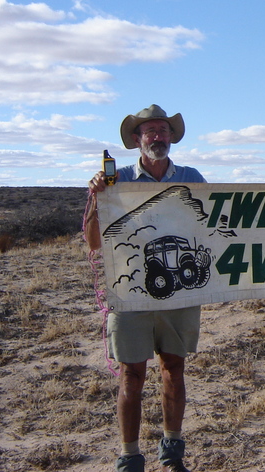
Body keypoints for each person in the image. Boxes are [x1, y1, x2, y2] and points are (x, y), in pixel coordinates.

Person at [85, 104, 206, 472]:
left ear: (171, 137)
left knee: (174, 367)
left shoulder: (192, 177)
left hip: (180, 295)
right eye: (150, 131)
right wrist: (96, 198)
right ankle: (129, 455)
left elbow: (212, 225)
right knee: (131, 374)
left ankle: (172, 452)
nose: (157, 136)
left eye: (163, 130)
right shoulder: (115, 180)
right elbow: (93, 242)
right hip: (130, 292)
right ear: (137, 140)